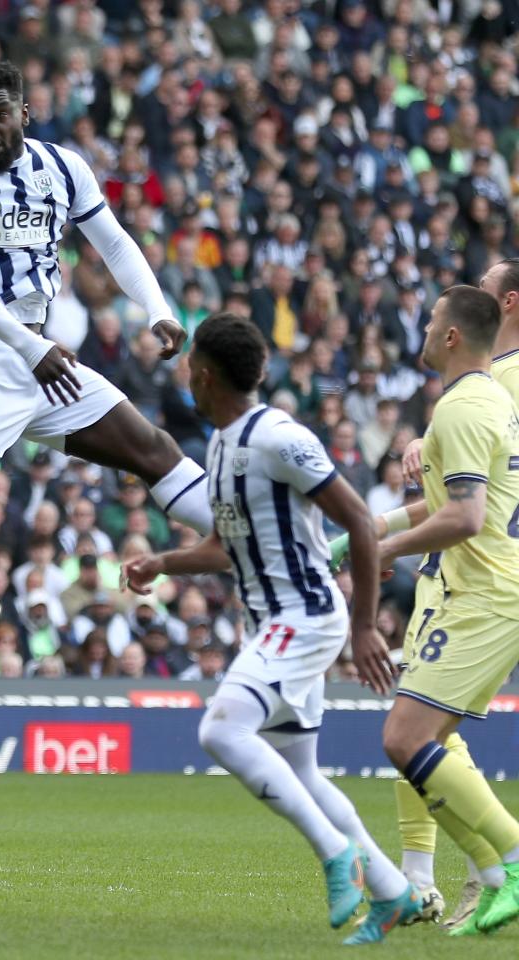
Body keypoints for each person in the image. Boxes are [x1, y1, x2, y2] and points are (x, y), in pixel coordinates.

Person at [0, 61, 210, 750]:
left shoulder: (64, 166)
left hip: (41, 357)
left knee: (153, 451)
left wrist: (158, 310)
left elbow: (111, 240)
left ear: (24, 108)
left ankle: (271, 539)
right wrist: (29, 348)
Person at [123, 313, 418, 944]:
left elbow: (361, 522)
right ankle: (394, 892)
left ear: (202, 375)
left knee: (222, 729)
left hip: (305, 616)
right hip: (274, 620)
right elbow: (229, 544)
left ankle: (338, 856)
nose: (185, 381)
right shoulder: (224, 442)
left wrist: (365, 628)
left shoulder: (279, 437)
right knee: (302, 771)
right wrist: (164, 561)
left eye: (189, 370)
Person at [354, 285, 519, 937]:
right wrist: (375, 532)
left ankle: (504, 860)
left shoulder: (465, 409)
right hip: (478, 590)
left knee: (404, 737)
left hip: (481, 595)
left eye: (430, 321)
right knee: (422, 740)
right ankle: (490, 873)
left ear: (452, 336)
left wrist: (384, 545)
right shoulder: (485, 403)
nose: (421, 330)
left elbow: (467, 515)